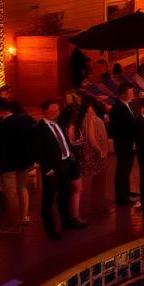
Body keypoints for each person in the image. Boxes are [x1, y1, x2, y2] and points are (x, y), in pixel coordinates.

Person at [36, 99, 85, 240]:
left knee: (65, 194)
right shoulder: (39, 129)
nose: (55, 113)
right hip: (52, 169)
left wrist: (70, 158)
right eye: (52, 111)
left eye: (57, 111)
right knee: (48, 199)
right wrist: (47, 168)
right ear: (44, 112)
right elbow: (37, 151)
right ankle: (50, 230)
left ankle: (67, 221)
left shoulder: (59, 123)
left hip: (66, 164)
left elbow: (64, 142)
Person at [0, 100, 38, 232]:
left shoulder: (3, 125)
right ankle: (24, 216)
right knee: (22, 188)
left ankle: (15, 225)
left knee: (11, 194)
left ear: (0, 110)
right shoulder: (26, 120)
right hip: (25, 162)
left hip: (7, 164)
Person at [70, 95, 109, 216]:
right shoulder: (90, 118)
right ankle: (97, 205)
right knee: (98, 180)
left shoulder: (83, 117)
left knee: (91, 180)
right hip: (94, 152)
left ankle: (93, 205)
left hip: (89, 152)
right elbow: (91, 139)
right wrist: (101, 150)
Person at [108, 84, 139, 207]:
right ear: (123, 94)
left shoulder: (126, 106)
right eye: (130, 92)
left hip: (128, 143)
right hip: (123, 144)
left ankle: (125, 192)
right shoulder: (118, 109)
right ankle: (122, 196)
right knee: (123, 170)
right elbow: (119, 129)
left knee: (126, 170)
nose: (132, 94)